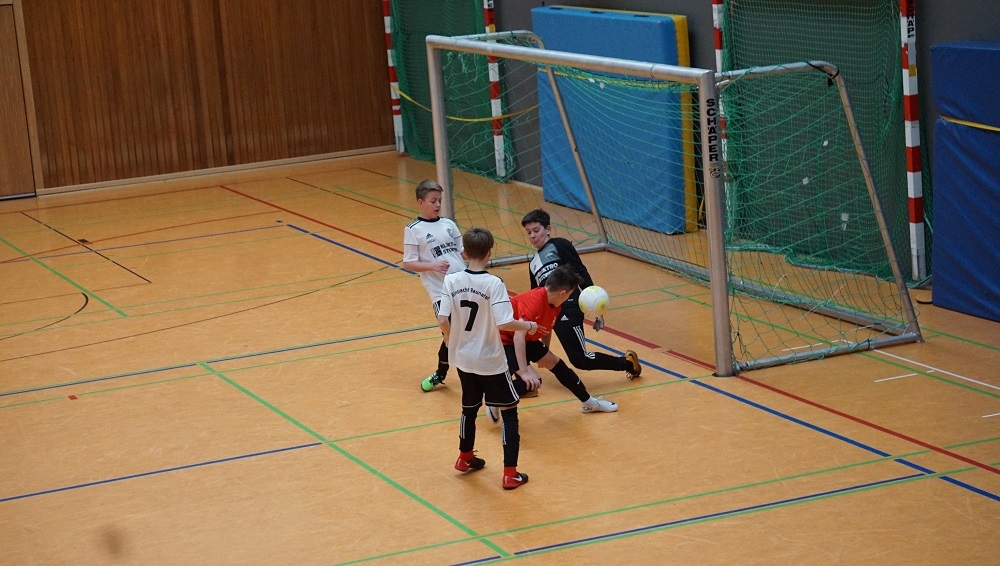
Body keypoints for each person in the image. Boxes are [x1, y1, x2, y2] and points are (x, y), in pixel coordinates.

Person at [438, 227, 537, 490]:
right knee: (509, 412)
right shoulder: (493, 283)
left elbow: (442, 318)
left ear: (464, 252)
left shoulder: (451, 280)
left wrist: (451, 341)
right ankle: (510, 474)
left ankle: (464, 457)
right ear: (490, 252)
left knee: (468, 408)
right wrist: (528, 326)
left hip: (463, 358)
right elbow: (505, 322)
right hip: (490, 360)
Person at [520, 209, 642, 379]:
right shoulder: (533, 264)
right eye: (528, 233)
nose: (532, 236)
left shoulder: (559, 245)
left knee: (579, 358)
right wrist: (544, 348)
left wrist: (596, 306)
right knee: (576, 358)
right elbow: (538, 299)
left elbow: (580, 271)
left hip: (569, 305)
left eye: (536, 230)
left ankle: (627, 363)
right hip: (553, 313)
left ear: (548, 229)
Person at [495, 265, 618, 418]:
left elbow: (547, 327)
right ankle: (496, 399)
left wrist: (545, 350)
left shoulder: (554, 304)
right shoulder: (534, 302)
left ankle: (589, 402)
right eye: (570, 294)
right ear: (562, 293)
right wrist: (524, 372)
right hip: (503, 340)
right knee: (531, 381)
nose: (569, 298)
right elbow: (518, 336)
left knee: (557, 364)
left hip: (526, 339)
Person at [402, 180, 465, 392]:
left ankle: (443, 373)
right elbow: (408, 263)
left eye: (439, 200)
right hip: (441, 291)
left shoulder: (449, 224)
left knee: (463, 333)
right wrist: (433, 266)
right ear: (421, 203)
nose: (437, 205)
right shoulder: (413, 230)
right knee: (449, 332)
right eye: (433, 201)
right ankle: (443, 373)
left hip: (463, 285)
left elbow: (462, 252)